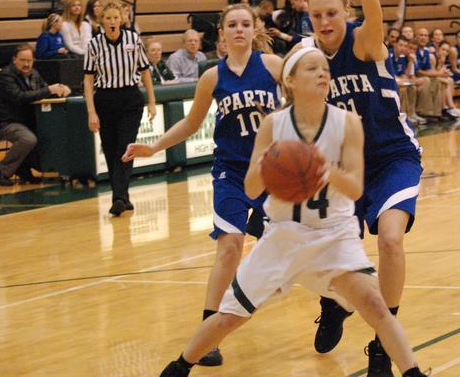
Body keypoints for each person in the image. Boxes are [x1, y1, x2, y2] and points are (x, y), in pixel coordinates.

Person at [156, 46, 428, 377]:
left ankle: (412, 372)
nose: (323, 73)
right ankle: (178, 367)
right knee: (230, 317)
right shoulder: (274, 124)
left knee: (375, 306)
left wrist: (322, 167)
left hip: (334, 235)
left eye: (325, 68)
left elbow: (356, 189)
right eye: (312, 68)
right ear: (291, 81)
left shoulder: (347, 123)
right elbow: (251, 189)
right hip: (284, 236)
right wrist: (269, 163)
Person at [123, 4, 281, 368]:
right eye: (232, 25)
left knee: (294, 246)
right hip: (230, 172)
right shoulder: (212, 76)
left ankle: (331, 302)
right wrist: (154, 147)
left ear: (254, 29)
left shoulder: (274, 66)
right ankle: (208, 332)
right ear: (221, 34)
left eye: (245, 24)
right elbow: (191, 124)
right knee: (230, 246)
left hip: (272, 172)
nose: (239, 29)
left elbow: (308, 100)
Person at [297, 0, 423, 376]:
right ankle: (335, 303)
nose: (324, 21)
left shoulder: (364, 42)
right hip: (343, 167)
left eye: (332, 13)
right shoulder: (308, 57)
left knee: (389, 239)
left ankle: (384, 341)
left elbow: (375, 20)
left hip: (392, 157)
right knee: (326, 252)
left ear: (345, 12)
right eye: (317, 15)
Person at [84, 2, 156, 216]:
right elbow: (88, 80)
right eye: (108, 18)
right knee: (110, 148)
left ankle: (118, 198)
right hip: (105, 99)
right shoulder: (94, 44)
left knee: (125, 147)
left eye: (116, 17)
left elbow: (145, 72)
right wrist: (91, 112)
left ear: (122, 20)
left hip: (130, 98)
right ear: (101, 21)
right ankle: (123, 196)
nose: (112, 21)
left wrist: (152, 101)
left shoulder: (133, 39)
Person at [0, 44, 71, 185]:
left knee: (50, 133)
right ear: (14, 59)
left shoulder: (34, 74)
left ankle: (24, 169)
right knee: (28, 139)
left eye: (29, 60)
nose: (26, 64)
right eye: (23, 60)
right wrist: (49, 90)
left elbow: (44, 91)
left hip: (27, 122)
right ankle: (2, 170)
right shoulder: (5, 75)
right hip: (5, 122)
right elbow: (20, 97)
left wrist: (60, 89)